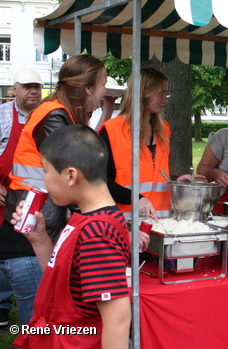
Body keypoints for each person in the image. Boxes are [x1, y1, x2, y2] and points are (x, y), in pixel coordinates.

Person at [0, 55, 107, 327]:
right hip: (29, 229)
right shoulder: (55, 116)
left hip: (33, 222)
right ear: (87, 89)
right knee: (40, 323)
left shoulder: (59, 111)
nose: (105, 91)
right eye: (103, 84)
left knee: (41, 322)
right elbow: (73, 177)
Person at [11, 125, 131, 348]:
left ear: (70, 175)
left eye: (46, 171)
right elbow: (61, 280)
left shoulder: (98, 232)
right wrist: (40, 239)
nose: (44, 179)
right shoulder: (84, 219)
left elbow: (118, 319)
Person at [99, 68, 204, 219]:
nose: (165, 99)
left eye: (165, 94)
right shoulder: (112, 130)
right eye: (160, 93)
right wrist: (135, 198)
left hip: (160, 222)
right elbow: (99, 180)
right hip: (125, 223)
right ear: (143, 93)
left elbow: (152, 174)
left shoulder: (164, 130)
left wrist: (174, 180)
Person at [0, 68, 42, 327]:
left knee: (21, 246)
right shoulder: (3, 115)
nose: (33, 91)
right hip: (3, 190)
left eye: (36, 86)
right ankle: (2, 305)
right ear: (14, 89)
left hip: (28, 194)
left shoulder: (45, 115)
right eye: (27, 86)